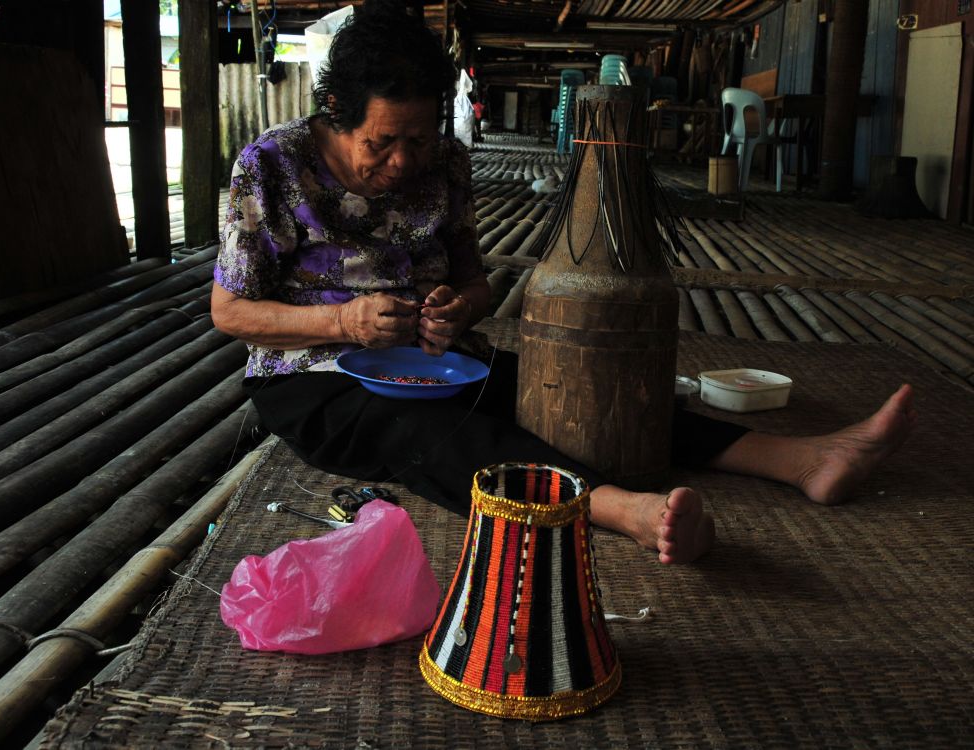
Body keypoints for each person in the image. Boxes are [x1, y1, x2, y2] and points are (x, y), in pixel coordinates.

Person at [211, 0, 915, 565]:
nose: (404, 161)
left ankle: (799, 458)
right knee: (424, 433)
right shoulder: (272, 167)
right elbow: (230, 311)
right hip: (310, 378)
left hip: (436, 362)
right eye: (381, 143)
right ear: (335, 111)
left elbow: (477, 284)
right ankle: (625, 511)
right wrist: (344, 323)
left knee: (567, 385)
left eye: (419, 139)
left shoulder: (448, 163)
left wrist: (458, 310)